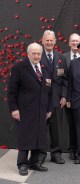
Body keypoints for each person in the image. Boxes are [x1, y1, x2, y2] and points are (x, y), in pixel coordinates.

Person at [8, 42, 53, 176]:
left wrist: (49, 108)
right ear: (28, 54)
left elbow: (49, 90)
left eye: (38, 53)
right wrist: (14, 109)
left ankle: (35, 162)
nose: (36, 56)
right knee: (25, 137)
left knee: (39, 136)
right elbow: (11, 91)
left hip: (42, 110)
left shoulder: (44, 68)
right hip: (25, 111)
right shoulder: (19, 68)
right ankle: (22, 164)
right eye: (33, 53)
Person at [40, 30, 68, 164]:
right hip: (41, 98)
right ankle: (40, 154)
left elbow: (65, 80)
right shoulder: (37, 56)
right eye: (47, 40)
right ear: (43, 41)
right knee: (41, 127)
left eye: (51, 40)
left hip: (57, 98)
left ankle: (56, 153)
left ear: (55, 42)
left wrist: (64, 96)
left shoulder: (61, 57)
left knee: (56, 128)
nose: (49, 42)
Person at [63, 33, 80, 160]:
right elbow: (64, 80)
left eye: (77, 41)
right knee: (71, 124)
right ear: (69, 43)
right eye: (72, 41)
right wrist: (67, 98)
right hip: (70, 98)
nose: (75, 43)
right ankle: (72, 149)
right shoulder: (63, 58)